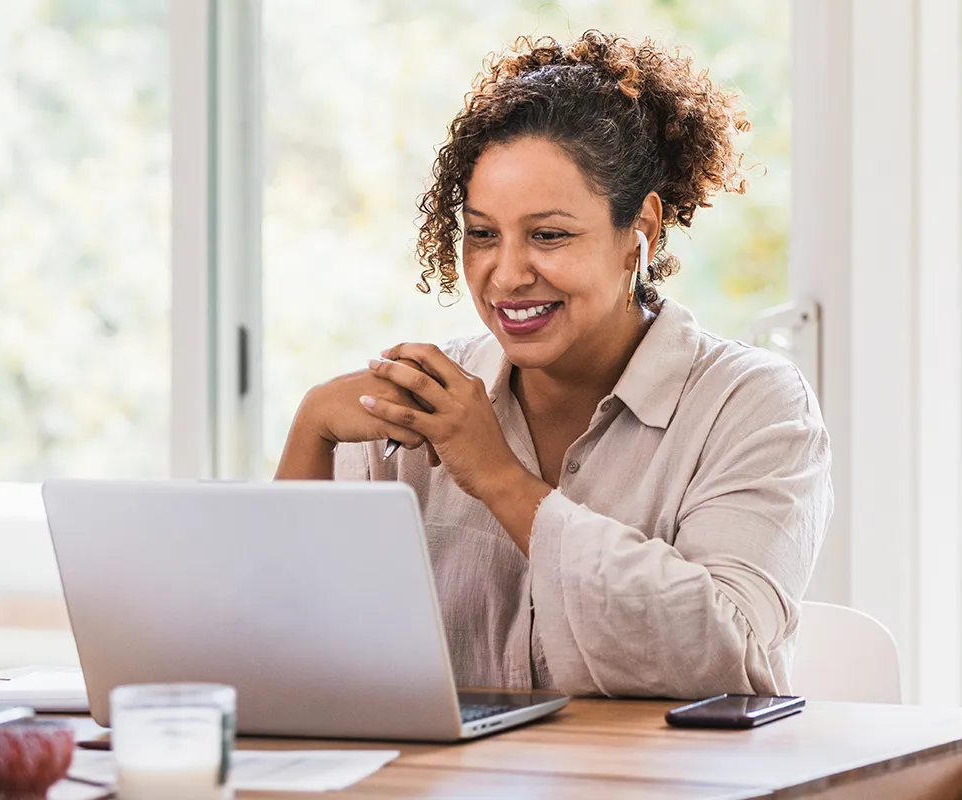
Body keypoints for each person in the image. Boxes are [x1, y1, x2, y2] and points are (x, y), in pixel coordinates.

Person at [276, 30, 832, 698]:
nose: (507, 275)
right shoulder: (411, 404)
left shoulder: (753, 407)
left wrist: (498, 478)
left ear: (641, 234)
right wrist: (311, 428)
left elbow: (723, 652)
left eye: (549, 236)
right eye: (482, 234)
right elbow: (277, 655)